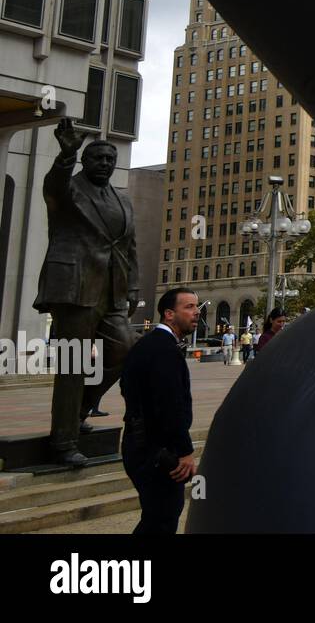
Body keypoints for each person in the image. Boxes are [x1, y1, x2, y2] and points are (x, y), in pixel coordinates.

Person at [35, 118, 139, 467]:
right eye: (98, 158)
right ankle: (62, 442)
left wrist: (133, 286)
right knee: (72, 365)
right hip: (75, 286)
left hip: (113, 290)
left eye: (110, 159)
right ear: (86, 161)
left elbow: (130, 247)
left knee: (125, 351)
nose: (106, 164)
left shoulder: (122, 200)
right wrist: (66, 154)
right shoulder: (69, 190)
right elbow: (54, 185)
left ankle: (78, 411)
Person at [119, 288, 199, 534]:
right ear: (168, 314)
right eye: (188, 307)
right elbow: (170, 405)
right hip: (156, 450)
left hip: (141, 444)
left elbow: (128, 388)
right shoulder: (164, 350)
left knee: (157, 516)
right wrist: (185, 450)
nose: (196, 313)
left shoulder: (148, 345)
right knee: (162, 518)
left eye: (197, 307)